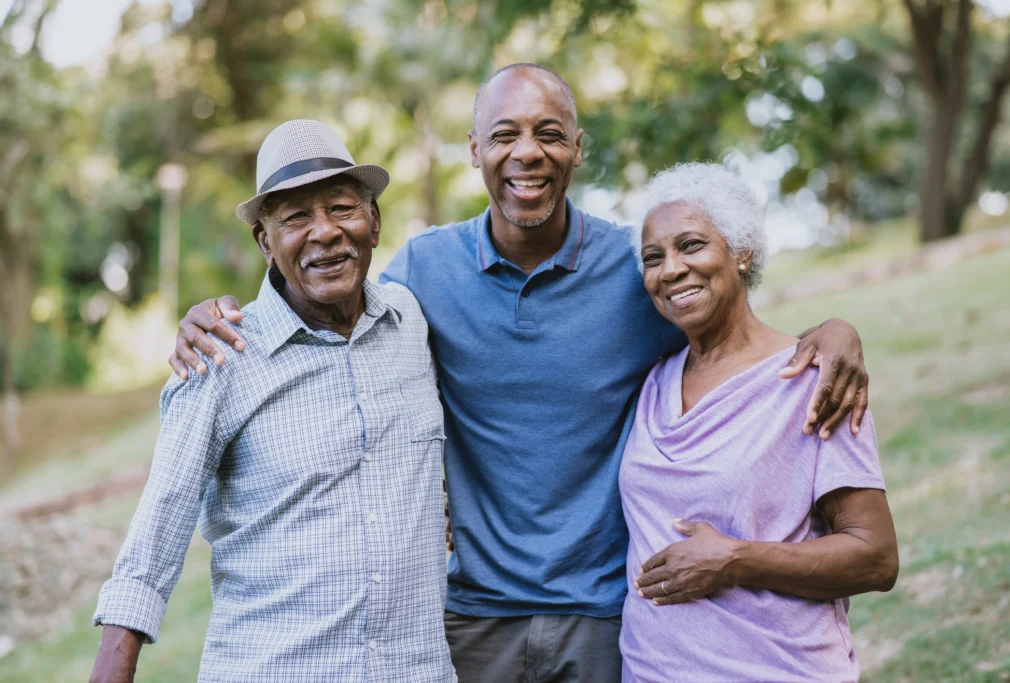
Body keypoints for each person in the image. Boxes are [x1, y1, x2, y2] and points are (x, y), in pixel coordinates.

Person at [168, 65, 871, 682]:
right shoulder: (424, 272)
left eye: (548, 133)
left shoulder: (635, 267)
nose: (526, 152)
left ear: (577, 148)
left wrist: (835, 331)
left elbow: (731, 327)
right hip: (473, 618)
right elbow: (335, 326)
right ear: (474, 150)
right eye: (504, 135)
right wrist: (223, 319)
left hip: (605, 614)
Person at [90, 120, 455, 683]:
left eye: (342, 208)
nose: (325, 232)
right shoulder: (220, 354)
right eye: (296, 218)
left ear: (374, 222)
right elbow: (157, 532)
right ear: (265, 243)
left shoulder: (410, 321)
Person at [622, 163, 898, 682]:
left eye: (691, 245)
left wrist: (734, 560)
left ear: (742, 252)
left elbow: (876, 558)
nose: (672, 269)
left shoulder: (815, 382)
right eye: (653, 257)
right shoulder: (652, 384)